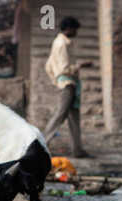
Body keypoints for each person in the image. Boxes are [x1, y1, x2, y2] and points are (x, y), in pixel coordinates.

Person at [44, 16, 93, 158]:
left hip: (68, 83)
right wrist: (81, 66)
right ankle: (42, 143)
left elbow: (48, 65)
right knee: (59, 116)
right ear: (70, 29)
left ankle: (77, 150)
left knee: (74, 117)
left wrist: (57, 80)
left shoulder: (58, 42)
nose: (76, 33)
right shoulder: (63, 44)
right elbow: (65, 69)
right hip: (69, 84)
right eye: (75, 30)